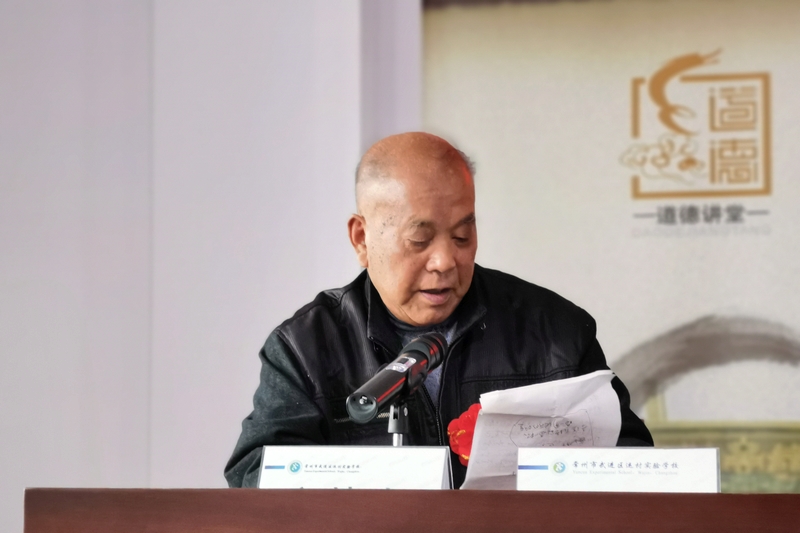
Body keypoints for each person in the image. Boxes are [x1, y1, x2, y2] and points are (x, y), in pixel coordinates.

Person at [225, 132, 652, 488]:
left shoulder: (554, 330)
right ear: (361, 238)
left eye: (463, 236)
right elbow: (256, 478)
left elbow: (631, 467)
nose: (446, 261)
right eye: (420, 240)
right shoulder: (306, 348)